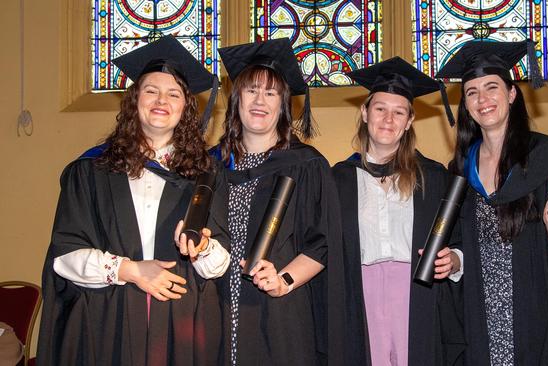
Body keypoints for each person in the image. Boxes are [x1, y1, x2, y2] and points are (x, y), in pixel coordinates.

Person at [37, 36, 230, 365]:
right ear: (134, 100)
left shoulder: (205, 175)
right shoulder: (91, 171)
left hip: (180, 324)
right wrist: (130, 270)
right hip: (106, 319)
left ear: (185, 108)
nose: (161, 100)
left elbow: (219, 264)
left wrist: (203, 247)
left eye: (173, 94)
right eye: (151, 90)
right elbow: (63, 257)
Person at [437, 40, 548, 365]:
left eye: (491, 87)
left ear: (512, 93)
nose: (482, 99)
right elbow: (463, 243)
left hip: (537, 313)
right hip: (480, 317)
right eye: (471, 92)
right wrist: (455, 262)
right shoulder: (459, 171)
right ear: (465, 104)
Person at [210, 38, 343, 366]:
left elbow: (323, 242)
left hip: (279, 311)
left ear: (283, 104)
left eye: (270, 93)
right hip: (214, 309)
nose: (259, 100)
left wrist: (284, 281)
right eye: (251, 90)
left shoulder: (307, 165)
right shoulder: (209, 166)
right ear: (236, 98)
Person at [331, 57, 465, 366]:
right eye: (380, 109)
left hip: (417, 294)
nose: (388, 119)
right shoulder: (339, 179)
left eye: (398, 112)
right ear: (365, 113)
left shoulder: (433, 177)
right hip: (360, 294)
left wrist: (455, 259)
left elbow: (459, 239)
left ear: (409, 121)